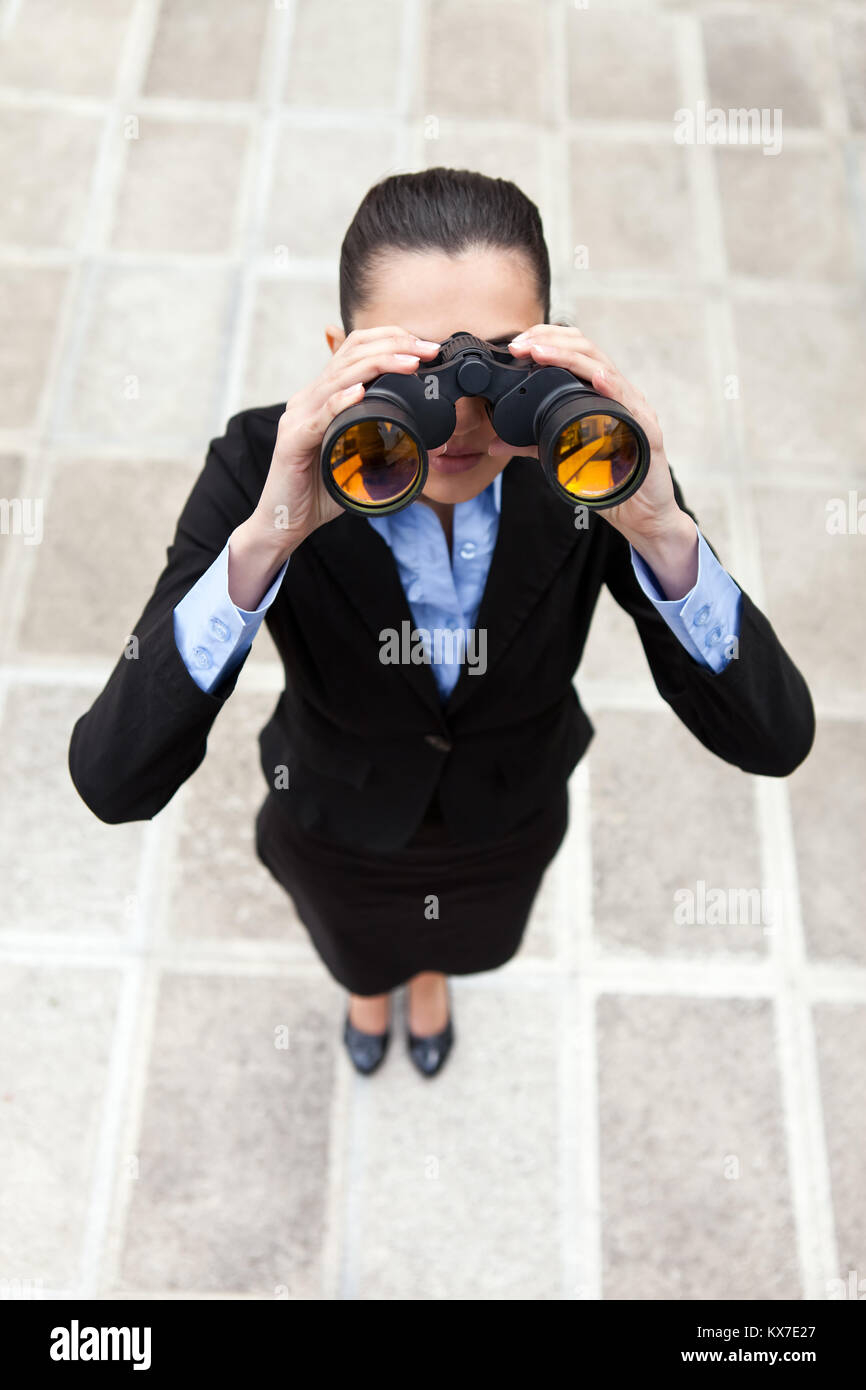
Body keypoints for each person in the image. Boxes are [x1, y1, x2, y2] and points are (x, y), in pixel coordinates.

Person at [67, 168, 815, 1079]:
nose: (462, 417)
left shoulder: (582, 460)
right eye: (416, 367)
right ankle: (371, 986)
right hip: (337, 822)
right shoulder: (266, 466)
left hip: (506, 822)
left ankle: (427, 979)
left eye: (500, 365)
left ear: (551, 350)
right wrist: (270, 536)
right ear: (342, 351)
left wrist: (662, 528)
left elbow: (775, 738)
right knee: (357, 949)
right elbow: (113, 779)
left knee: (458, 946)